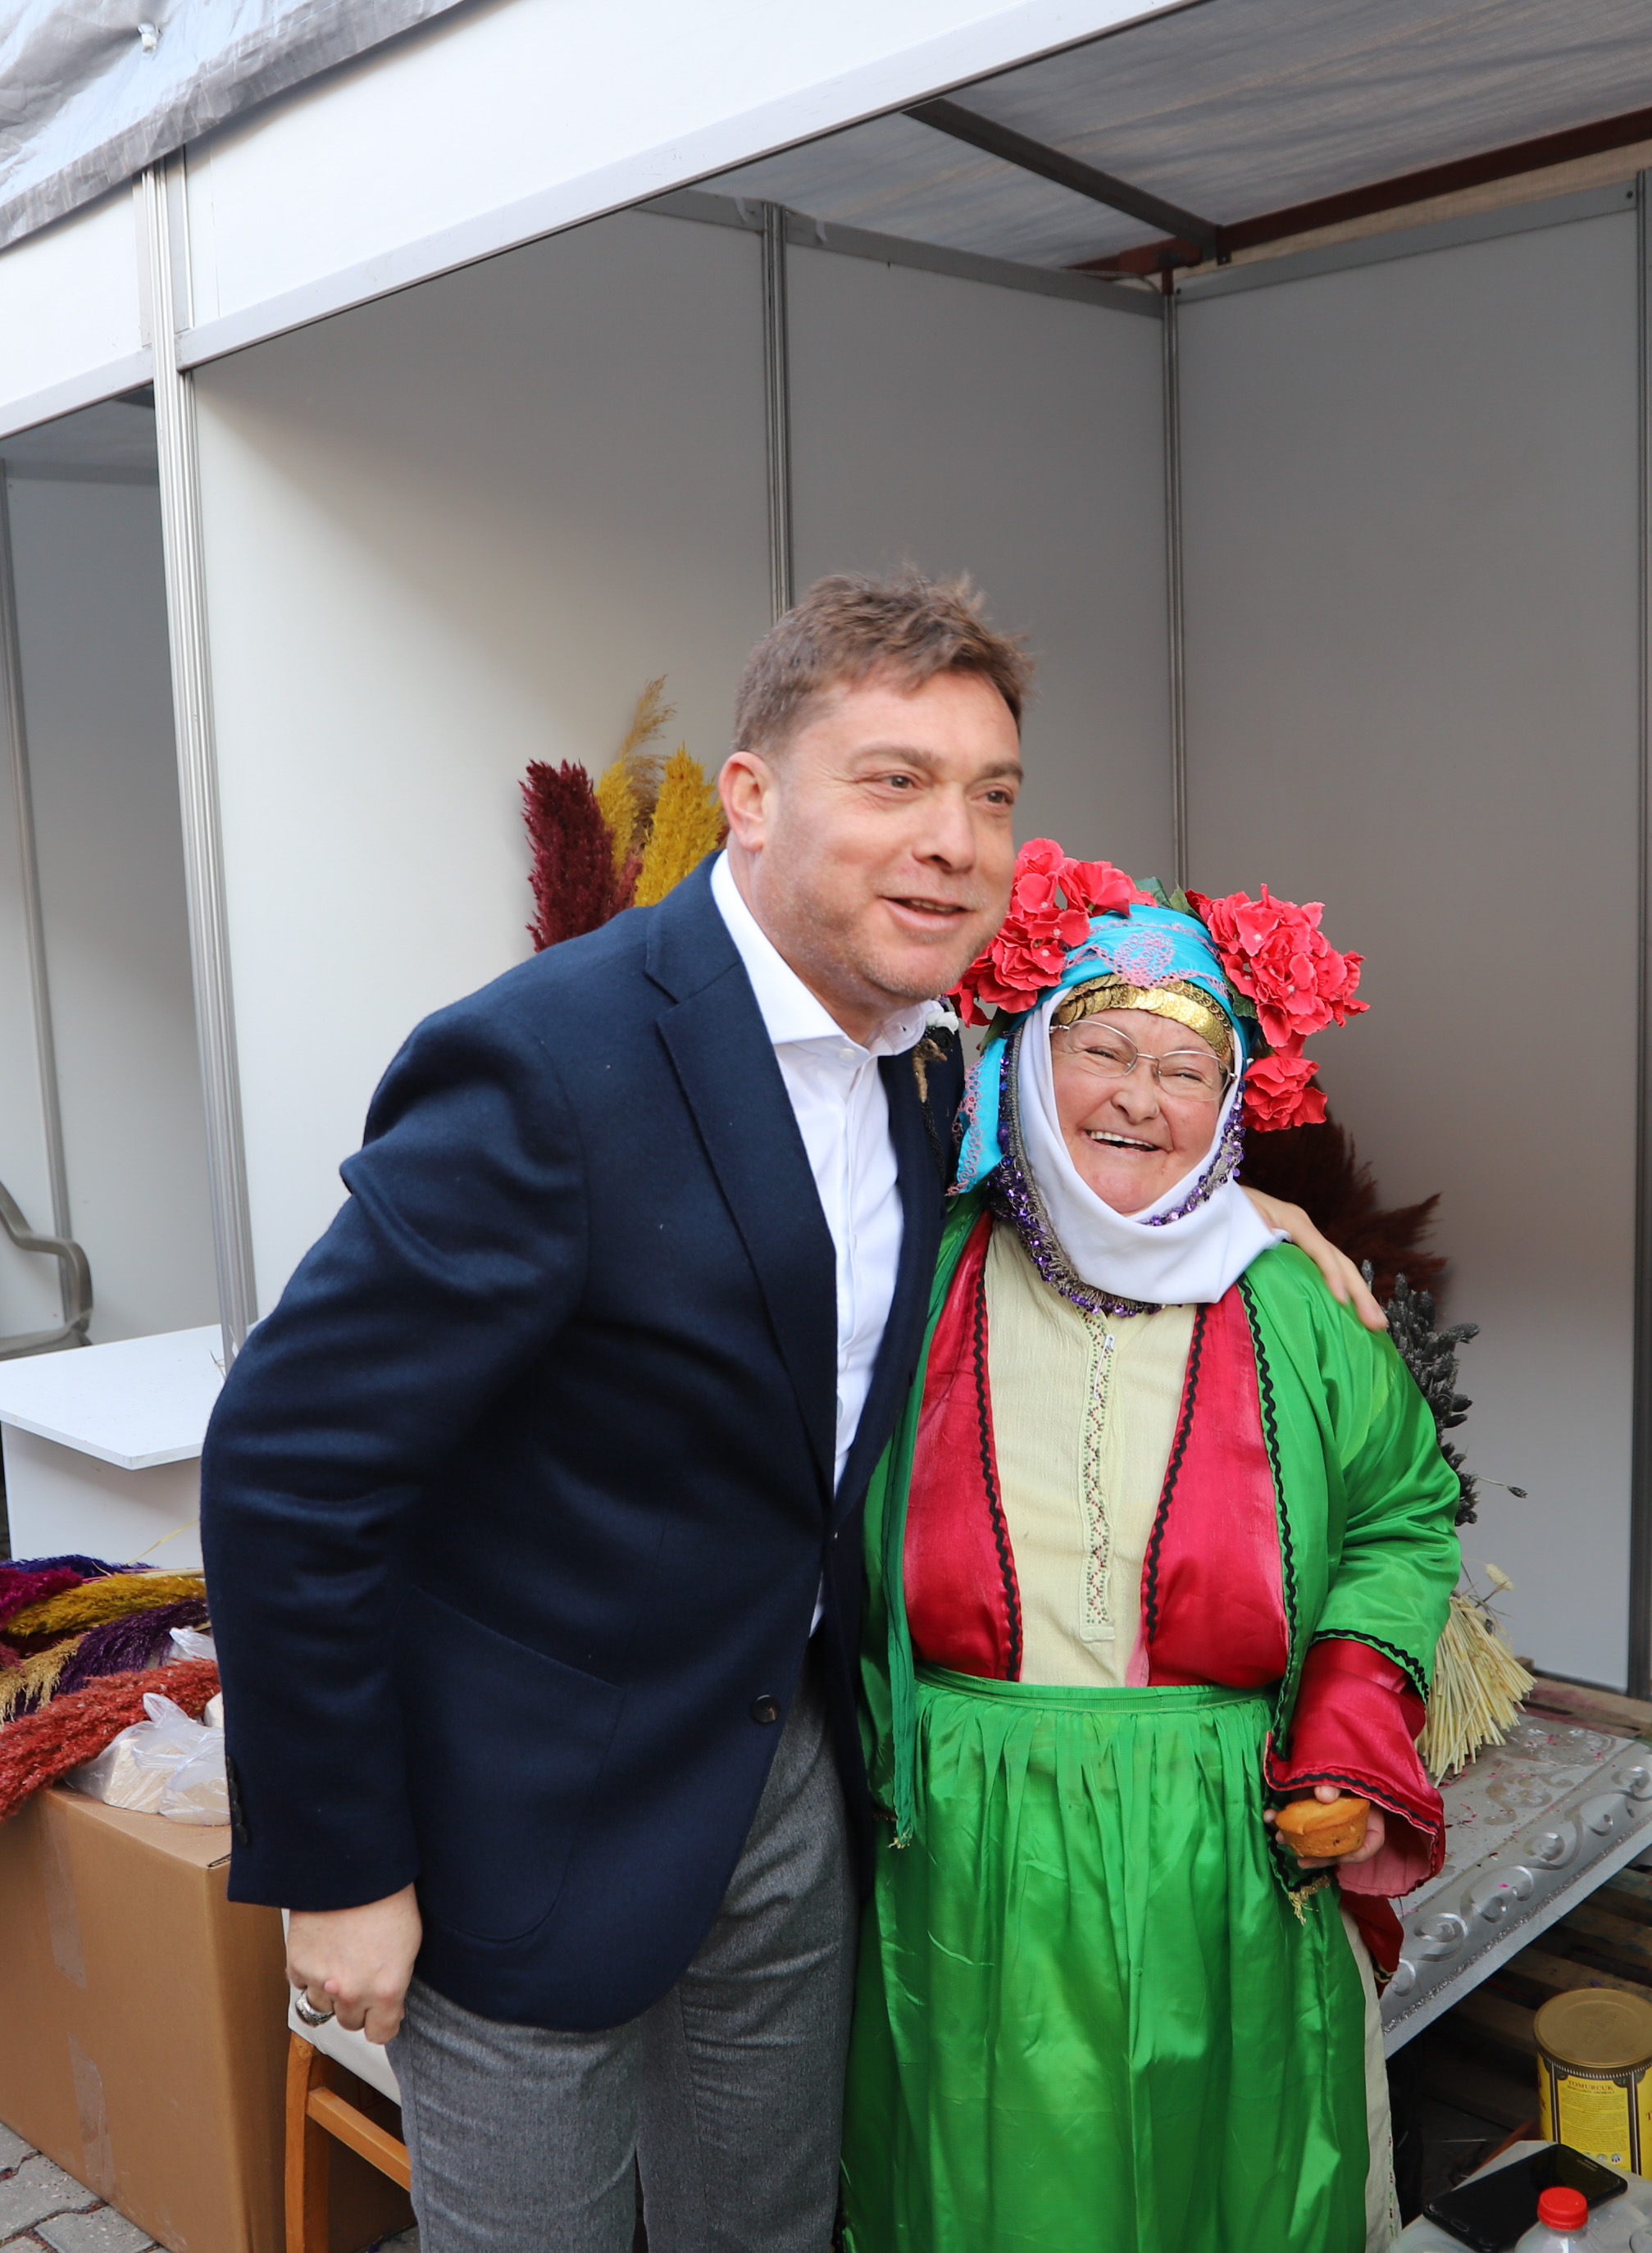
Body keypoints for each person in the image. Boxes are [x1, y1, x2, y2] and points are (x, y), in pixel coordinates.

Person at [200, 573, 1381, 2253]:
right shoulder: (550, 1060)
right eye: (894, 780)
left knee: (766, 2231)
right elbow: (291, 1467)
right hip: (521, 1819)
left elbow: (1083, 1164)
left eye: (991, 796)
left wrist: (1231, 1207)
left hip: (787, 1787)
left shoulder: (925, 1062)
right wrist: (336, 1862)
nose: (953, 842)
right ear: (750, 797)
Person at [840, 845, 1461, 2253]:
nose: (1139, 1097)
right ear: (1022, 1066)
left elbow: (1401, 1515)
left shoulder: (1297, 1307)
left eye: (1185, 1070)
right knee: (988, 2196)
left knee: (1230, 2189)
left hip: (1229, 1838)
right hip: (970, 1838)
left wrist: (1348, 1738)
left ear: (1229, 1106)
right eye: (1102, 1050)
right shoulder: (908, 1278)